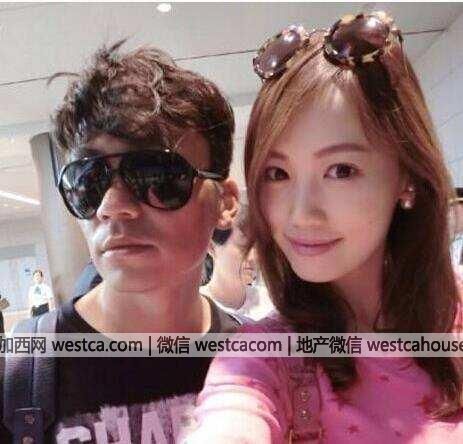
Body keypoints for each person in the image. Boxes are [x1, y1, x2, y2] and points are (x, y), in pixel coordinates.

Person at [185, 11, 463, 443]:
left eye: (341, 170)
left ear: (406, 176)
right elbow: (232, 414)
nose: (301, 214)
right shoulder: (264, 357)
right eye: (277, 174)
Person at [1, 40, 240, 442]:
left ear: (225, 202)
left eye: (156, 175)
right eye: (88, 181)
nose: (111, 207)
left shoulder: (270, 363)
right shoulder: (20, 377)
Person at [201, 204, 274, 320]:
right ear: (212, 247)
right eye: (243, 246)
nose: (253, 257)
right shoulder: (196, 309)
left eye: (258, 247)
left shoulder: (271, 305)